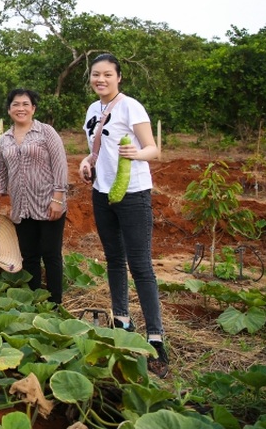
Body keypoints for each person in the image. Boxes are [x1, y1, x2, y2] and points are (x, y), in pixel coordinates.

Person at [78, 53, 169, 377]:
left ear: (118, 77)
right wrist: (86, 162)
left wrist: (137, 153)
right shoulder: (93, 110)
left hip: (132, 194)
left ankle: (155, 337)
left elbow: (153, 150)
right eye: (95, 75)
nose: (100, 79)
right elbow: (96, 148)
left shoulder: (131, 106)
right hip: (102, 194)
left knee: (141, 266)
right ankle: (121, 320)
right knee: (114, 260)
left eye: (106, 75)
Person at [0, 88, 68, 305]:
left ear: (33, 108)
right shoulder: (4, 139)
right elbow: (1, 172)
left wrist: (58, 199)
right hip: (21, 208)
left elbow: (60, 166)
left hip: (48, 203)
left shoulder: (46, 132)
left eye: (25, 104)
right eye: (15, 104)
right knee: (29, 257)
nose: (20, 108)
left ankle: (55, 304)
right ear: (9, 109)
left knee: (51, 255)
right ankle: (34, 303)